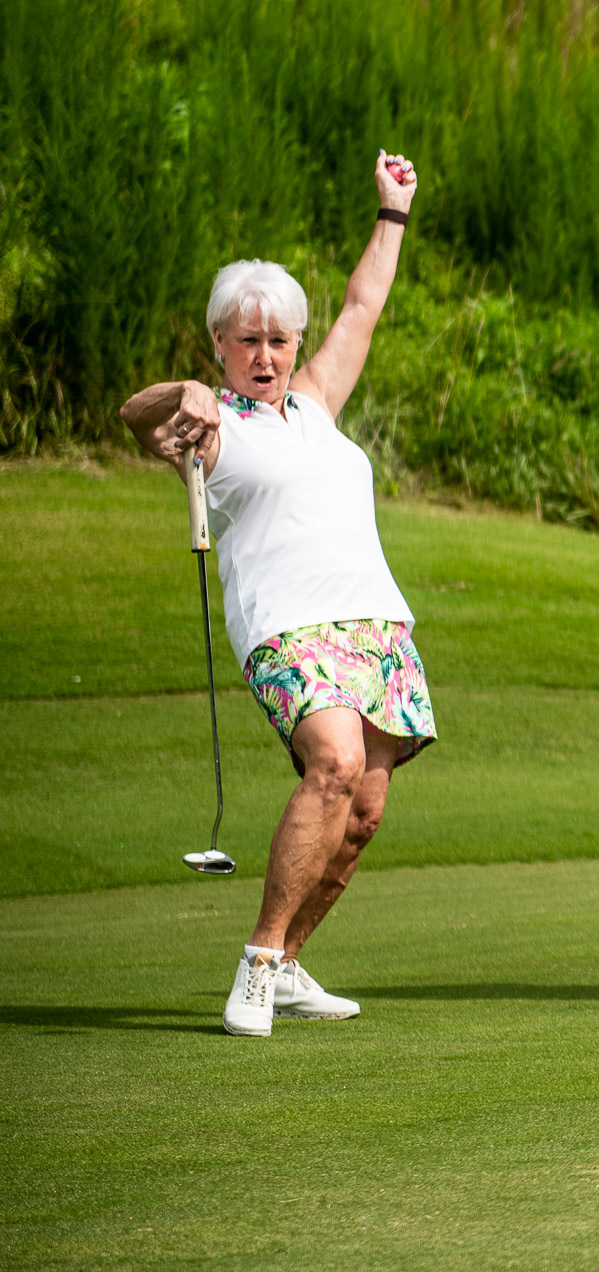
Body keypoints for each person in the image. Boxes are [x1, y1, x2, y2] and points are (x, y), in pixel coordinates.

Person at [121, 152, 430, 1038]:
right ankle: (257, 964)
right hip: (288, 629)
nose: (265, 355)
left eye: (279, 339)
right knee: (332, 763)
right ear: (221, 343)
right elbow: (139, 415)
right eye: (247, 339)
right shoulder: (212, 425)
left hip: (375, 622)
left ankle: (290, 964)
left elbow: (364, 305)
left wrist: (393, 212)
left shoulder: (317, 402)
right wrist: (181, 395)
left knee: (363, 812)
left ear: (296, 344)